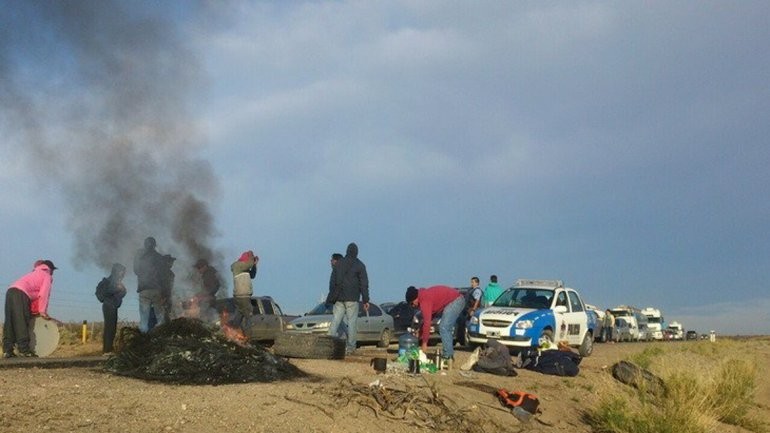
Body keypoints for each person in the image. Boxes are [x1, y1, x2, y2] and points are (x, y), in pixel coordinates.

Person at [3, 260, 57, 358]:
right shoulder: (47, 276)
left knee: (10, 322)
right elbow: (43, 294)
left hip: (10, 291)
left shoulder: (34, 273)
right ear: (50, 269)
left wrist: (35, 312)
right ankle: (24, 350)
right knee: (21, 321)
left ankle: (7, 350)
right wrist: (42, 312)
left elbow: (34, 299)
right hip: (21, 293)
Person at [405, 285, 464, 365]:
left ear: (415, 299)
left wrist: (424, 343)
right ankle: (449, 355)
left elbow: (427, 323)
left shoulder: (425, 300)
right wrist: (421, 331)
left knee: (444, 327)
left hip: (456, 300)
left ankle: (448, 356)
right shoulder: (424, 296)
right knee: (445, 328)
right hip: (455, 300)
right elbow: (430, 317)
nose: (413, 306)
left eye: (412, 303)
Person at [328, 242, 369, 355]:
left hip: (339, 298)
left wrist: (332, 295)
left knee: (336, 320)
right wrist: (366, 300)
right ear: (356, 252)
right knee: (352, 323)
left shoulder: (339, 263)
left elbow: (333, 280)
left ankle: (327, 344)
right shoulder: (360, 265)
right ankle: (351, 348)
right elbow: (364, 284)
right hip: (352, 298)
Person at [133, 237, 166, 333]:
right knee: (160, 319)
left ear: (145, 245)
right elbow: (163, 275)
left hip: (144, 289)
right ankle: (160, 338)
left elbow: (136, 271)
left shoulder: (140, 256)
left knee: (144, 320)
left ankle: (143, 342)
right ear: (154, 245)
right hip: (156, 290)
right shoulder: (159, 257)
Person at [96, 263, 127, 354]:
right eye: (122, 271)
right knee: (109, 328)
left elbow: (123, 292)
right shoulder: (110, 282)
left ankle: (109, 348)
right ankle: (107, 349)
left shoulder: (116, 281)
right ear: (117, 271)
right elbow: (109, 291)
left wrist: (121, 289)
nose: (123, 274)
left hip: (112, 306)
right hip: (109, 306)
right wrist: (117, 289)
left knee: (112, 328)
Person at [231, 250, 258, 330]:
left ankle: (233, 331)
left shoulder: (244, 269)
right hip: (243, 295)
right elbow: (249, 264)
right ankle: (248, 334)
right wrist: (252, 257)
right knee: (248, 314)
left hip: (241, 295)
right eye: (249, 258)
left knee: (239, 314)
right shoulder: (238, 265)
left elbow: (252, 275)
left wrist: (255, 266)